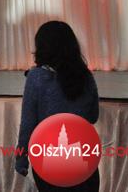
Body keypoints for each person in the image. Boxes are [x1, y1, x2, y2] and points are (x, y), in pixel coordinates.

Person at [15, 21, 100, 191]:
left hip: (49, 163)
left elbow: (28, 125)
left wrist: (21, 159)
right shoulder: (85, 76)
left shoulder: (36, 78)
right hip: (84, 161)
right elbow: (93, 117)